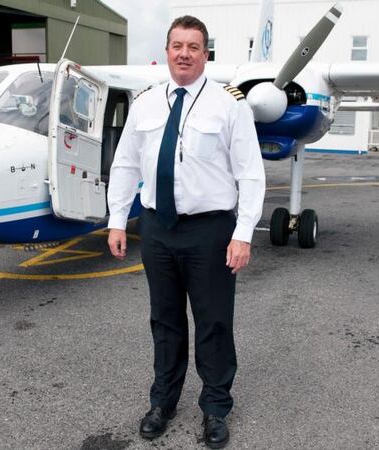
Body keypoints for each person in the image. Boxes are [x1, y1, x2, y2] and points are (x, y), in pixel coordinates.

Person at [106, 15, 265, 449]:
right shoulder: (146, 103)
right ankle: (163, 402)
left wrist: (244, 232)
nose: (184, 54)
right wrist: (118, 220)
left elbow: (250, 174)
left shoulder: (229, 104)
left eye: (193, 47)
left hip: (210, 231)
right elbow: (125, 165)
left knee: (214, 323)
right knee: (165, 322)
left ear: (206, 54)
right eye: (177, 45)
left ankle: (215, 409)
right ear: (167, 51)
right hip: (157, 228)